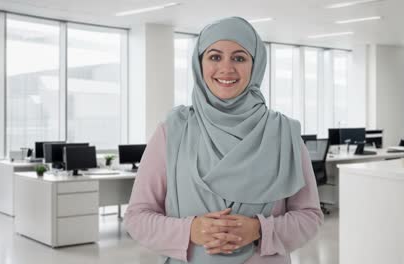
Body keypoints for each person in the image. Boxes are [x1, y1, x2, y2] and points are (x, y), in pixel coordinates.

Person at [124, 17, 324, 263]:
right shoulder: (173, 131)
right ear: (200, 64)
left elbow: (310, 216)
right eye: (215, 57)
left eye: (239, 58)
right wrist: (189, 231)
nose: (226, 68)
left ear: (255, 65)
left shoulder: (283, 132)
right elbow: (137, 217)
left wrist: (259, 230)